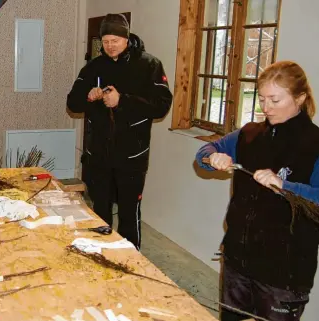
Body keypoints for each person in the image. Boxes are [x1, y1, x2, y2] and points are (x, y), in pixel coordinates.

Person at [196, 61, 319, 321]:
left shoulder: (314, 144)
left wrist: (285, 186)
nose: (266, 107)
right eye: (262, 99)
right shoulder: (250, 133)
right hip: (238, 261)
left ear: (300, 98)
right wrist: (213, 158)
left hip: (284, 272)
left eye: (275, 100)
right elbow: (203, 153)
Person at [66, 13, 172, 249]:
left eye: (115, 39)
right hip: (99, 156)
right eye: (106, 41)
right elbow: (72, 103)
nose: (110, 45)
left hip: (132, 155)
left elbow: (162, 105)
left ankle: (130, 260)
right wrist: (88, 96)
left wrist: (122, 101)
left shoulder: (149, 65)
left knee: (128, 211)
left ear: (126, 38)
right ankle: (100, 254)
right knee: (100, 210)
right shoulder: (94, 66)